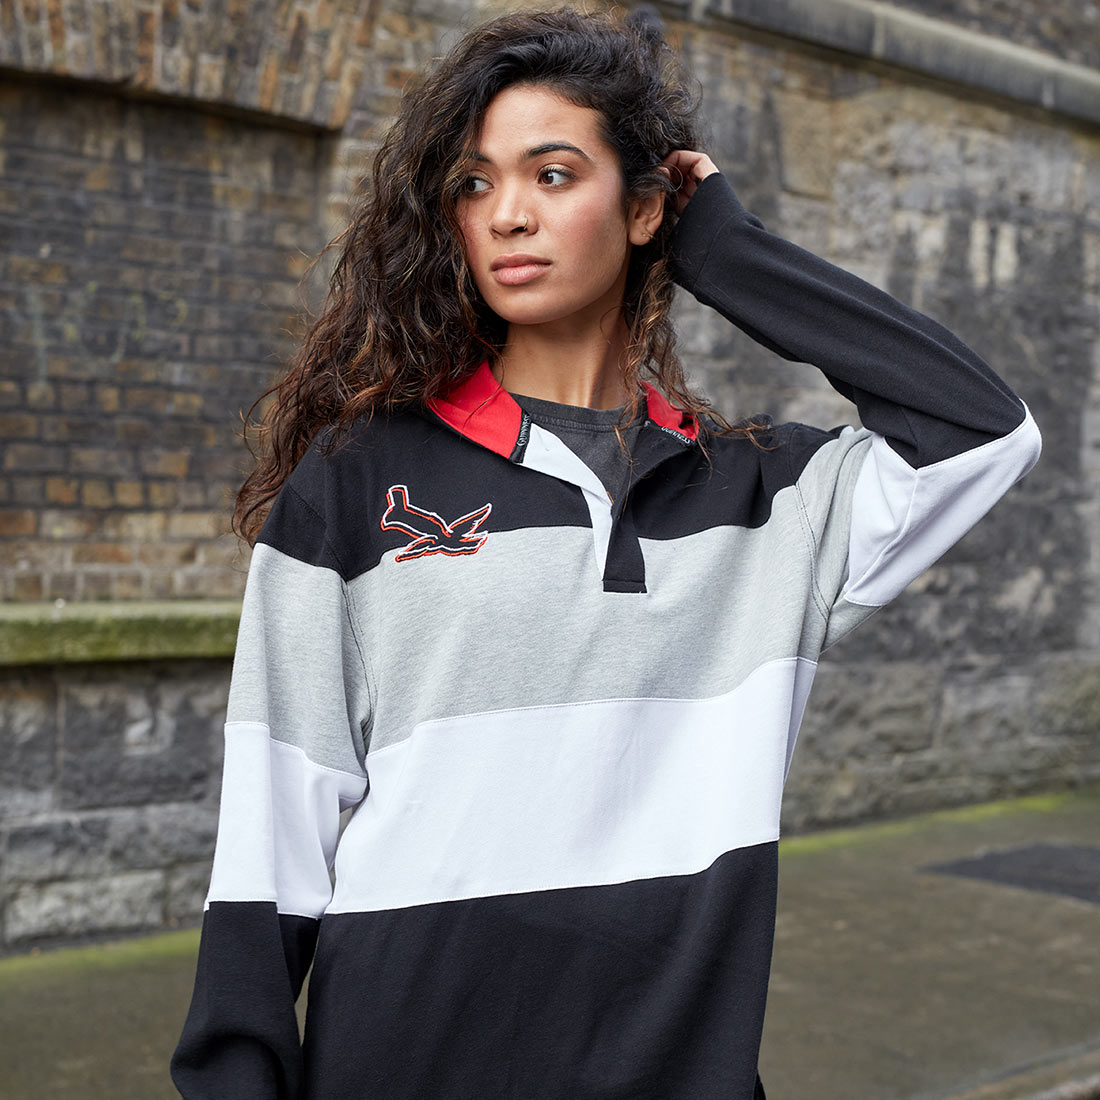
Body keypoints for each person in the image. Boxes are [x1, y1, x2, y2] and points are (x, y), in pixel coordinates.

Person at [170, 8, 1041, 1099]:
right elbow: (271, 836)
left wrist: (728, 250)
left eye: (551, 172)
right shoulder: (356, 480)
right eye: (475, 184)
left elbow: (984, 430)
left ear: (642, 209)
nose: (508, 215)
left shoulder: (769, 496)